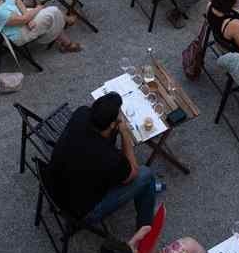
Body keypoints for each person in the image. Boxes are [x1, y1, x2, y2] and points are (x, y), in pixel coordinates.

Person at [48, 93, 159, 230]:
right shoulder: (110, 158)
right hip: (80, 211)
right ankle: (145, 228)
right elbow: (133, 172)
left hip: (53, 185)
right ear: (112, 124)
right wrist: (124, 133)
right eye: (119, 114)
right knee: (146, 176)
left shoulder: (81, 113)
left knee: (113, 167)